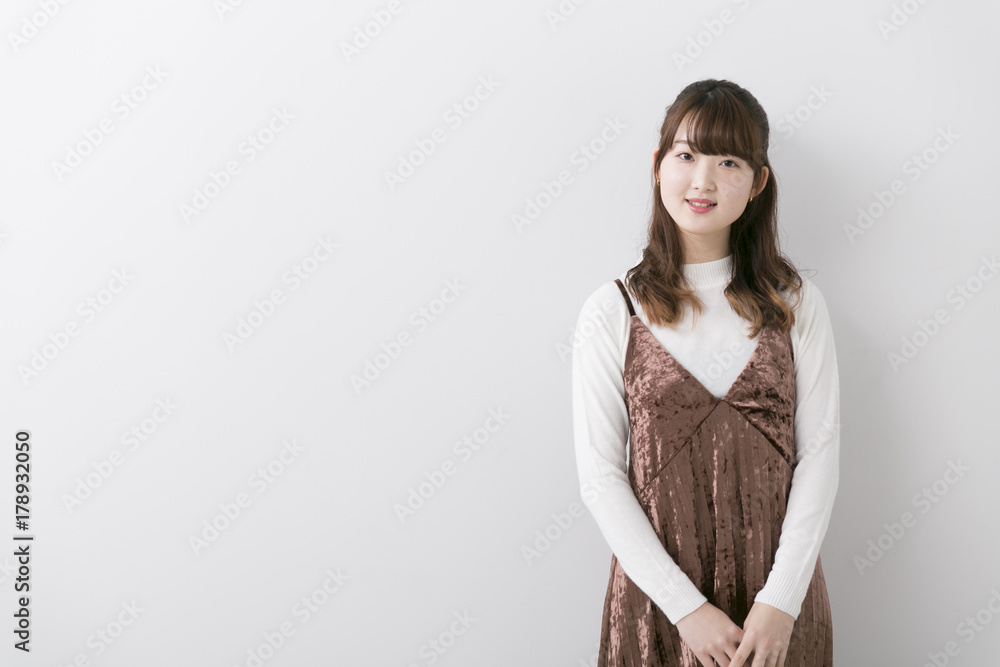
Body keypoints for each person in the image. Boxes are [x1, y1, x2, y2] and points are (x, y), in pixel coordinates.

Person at [571, 79, 839, 666]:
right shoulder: (612, 310)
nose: (703, 181)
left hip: (777, 613)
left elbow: (819, 456)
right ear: (657, 165)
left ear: (759, 182)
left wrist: (781, 602)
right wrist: (686, 609)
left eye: (729, 162)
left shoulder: (797, 304)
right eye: (687, 155)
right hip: (657, 608)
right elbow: (600, 478)